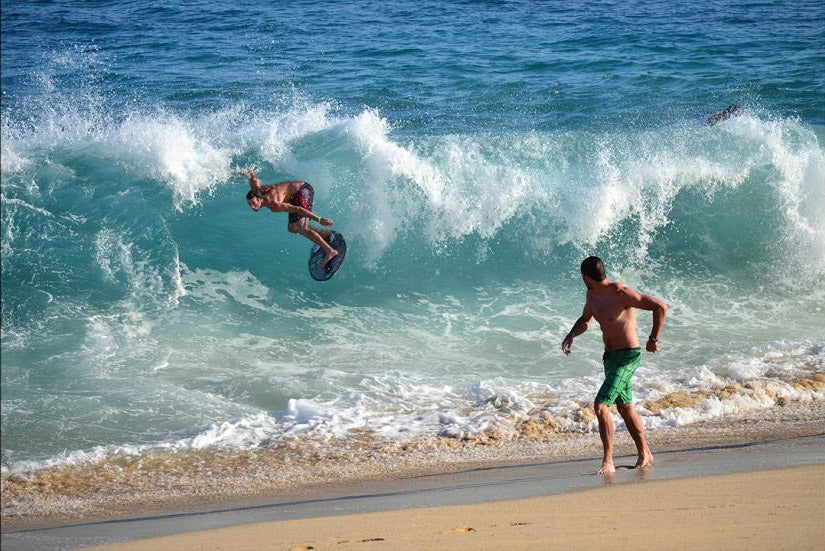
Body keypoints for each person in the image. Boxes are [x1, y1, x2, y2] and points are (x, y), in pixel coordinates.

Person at [561, 256, 667, 475]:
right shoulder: (592, 295)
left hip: (628, 356)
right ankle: (645, 453)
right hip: (610, 358)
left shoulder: (620, 293)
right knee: (625, 407)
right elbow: (586, 320)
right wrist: (572, 334)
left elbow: (659, 306)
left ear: (586, 277)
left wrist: (653, 339)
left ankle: (608, 461)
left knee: (601, 405)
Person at [245, 169, 339, 267]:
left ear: (260, 199)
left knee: (302, 228)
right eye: (249, 204)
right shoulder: (256, 191)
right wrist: (246, 172)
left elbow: (298, 210)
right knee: (292, 228)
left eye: (253, 203)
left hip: (303, 190)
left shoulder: (275, 205)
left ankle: (330, 251)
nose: (252, 207)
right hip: (294, 196)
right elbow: (254, 179)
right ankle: (326, 234)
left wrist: (319, 219)